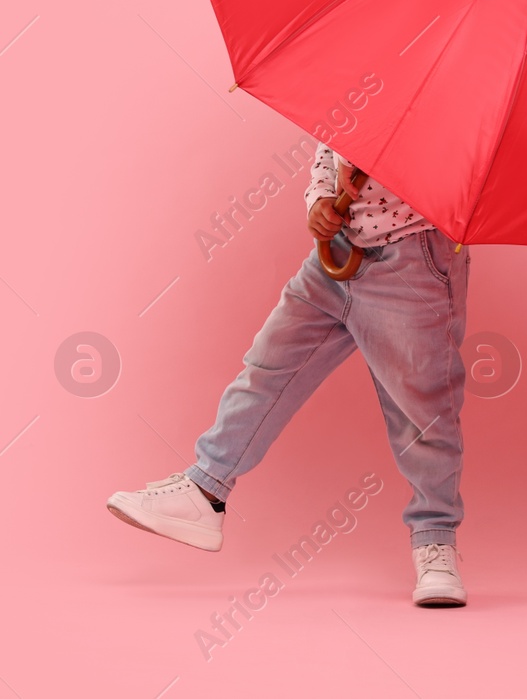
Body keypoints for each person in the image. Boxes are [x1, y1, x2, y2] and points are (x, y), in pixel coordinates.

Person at [107, 141, 473, 607]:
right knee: (268, 367)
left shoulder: (458, 104)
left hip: (413, 257)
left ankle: (434, 539)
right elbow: (329, 147)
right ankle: (206, 490)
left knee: (422, 410)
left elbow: (462, 177)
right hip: (337, 252)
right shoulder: (365, 78)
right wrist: (320, 198)